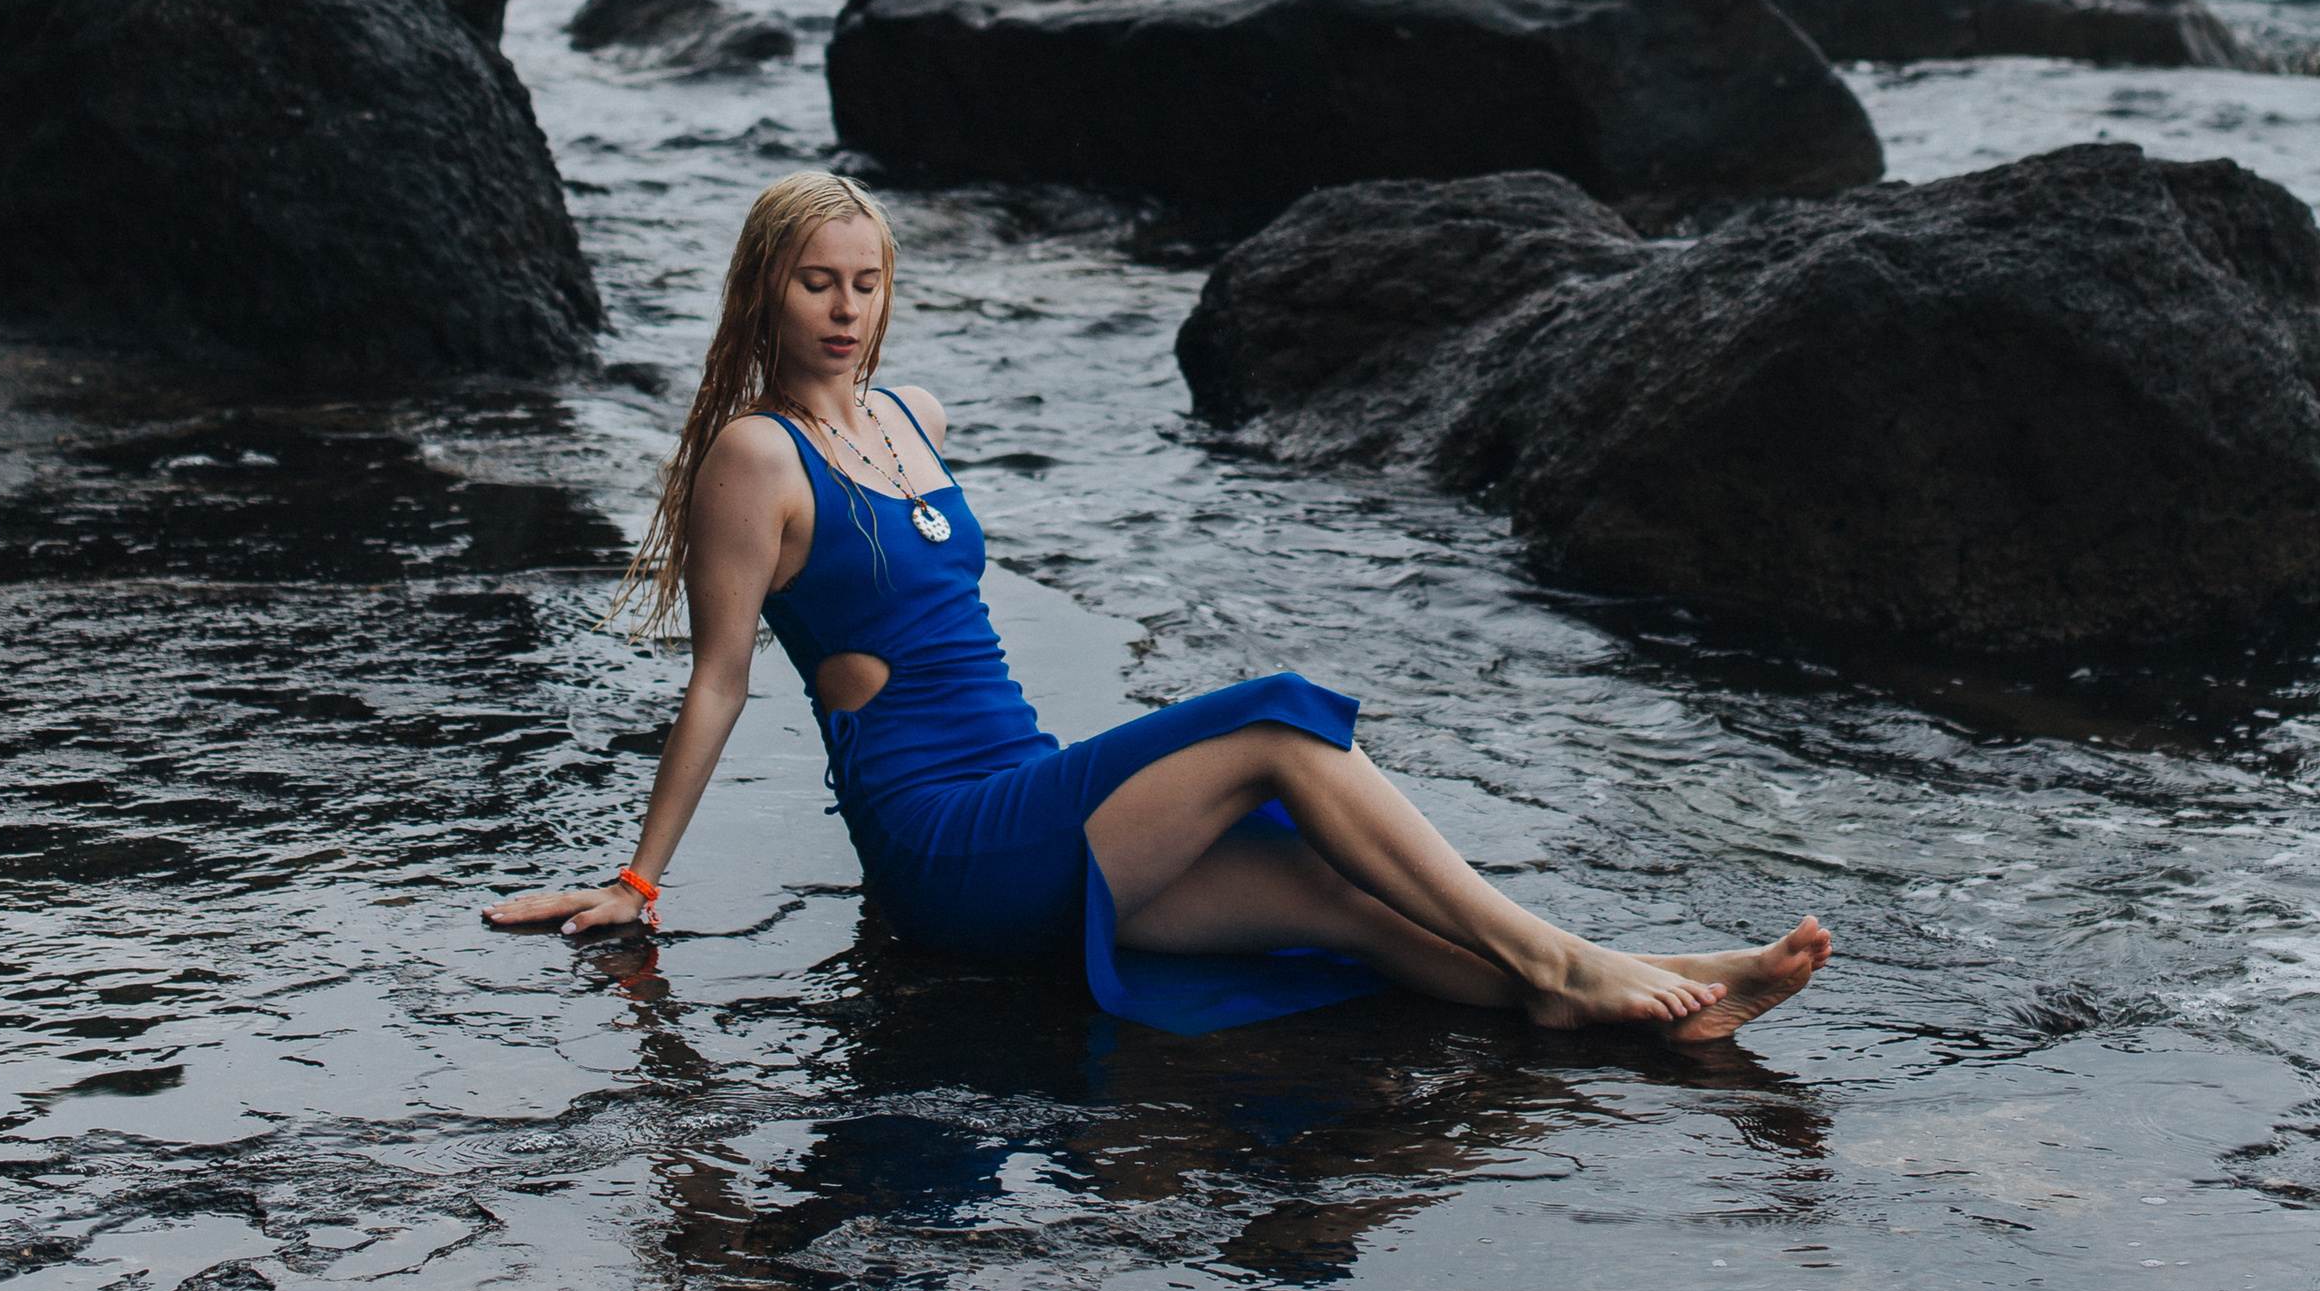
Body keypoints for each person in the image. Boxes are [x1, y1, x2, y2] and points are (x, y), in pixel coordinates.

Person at [485, 171, 1833, 1040]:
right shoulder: (754, 457)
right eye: (814, 282)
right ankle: (1567, 966)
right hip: (942, 842)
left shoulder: (916, 416)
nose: (844, 309)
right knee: (1281, 732)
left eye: (867, 281)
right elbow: (719, 676)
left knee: (1339, 900)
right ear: (764, 291)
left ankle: (1638, 987)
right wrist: (639, 878)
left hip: (1026, 791)